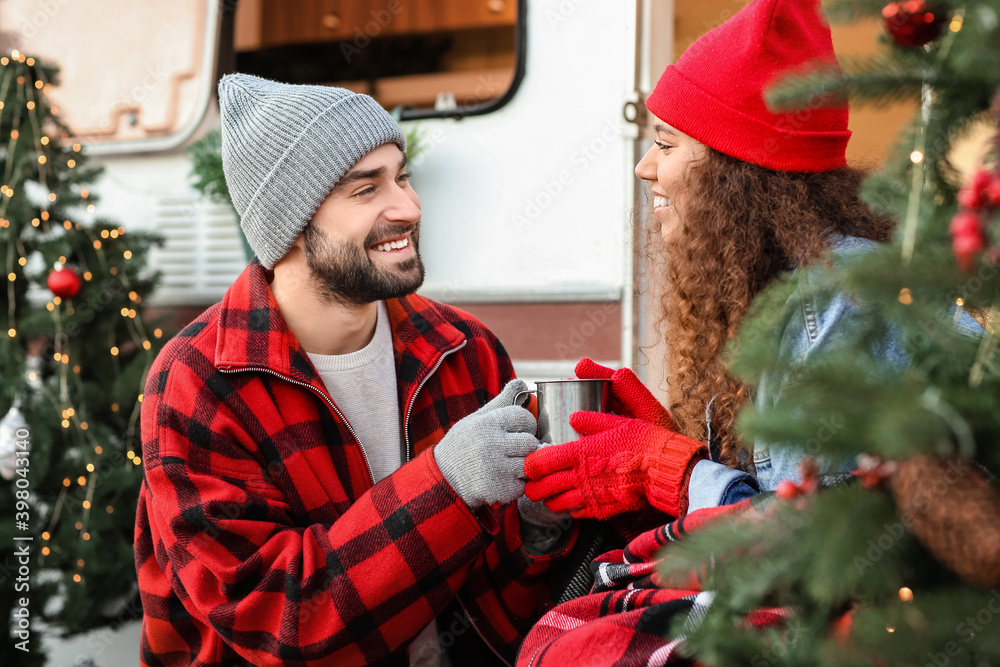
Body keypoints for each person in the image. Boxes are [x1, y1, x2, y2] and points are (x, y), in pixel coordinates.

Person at [134, 74, 569, 667]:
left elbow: (500, 590)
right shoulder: (198, 382)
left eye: (403, 176)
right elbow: (279, 618)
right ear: (289, 227)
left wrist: (539, 527)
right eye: (366, 190)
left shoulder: (465, 349)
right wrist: (446, 484)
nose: (409, 207)